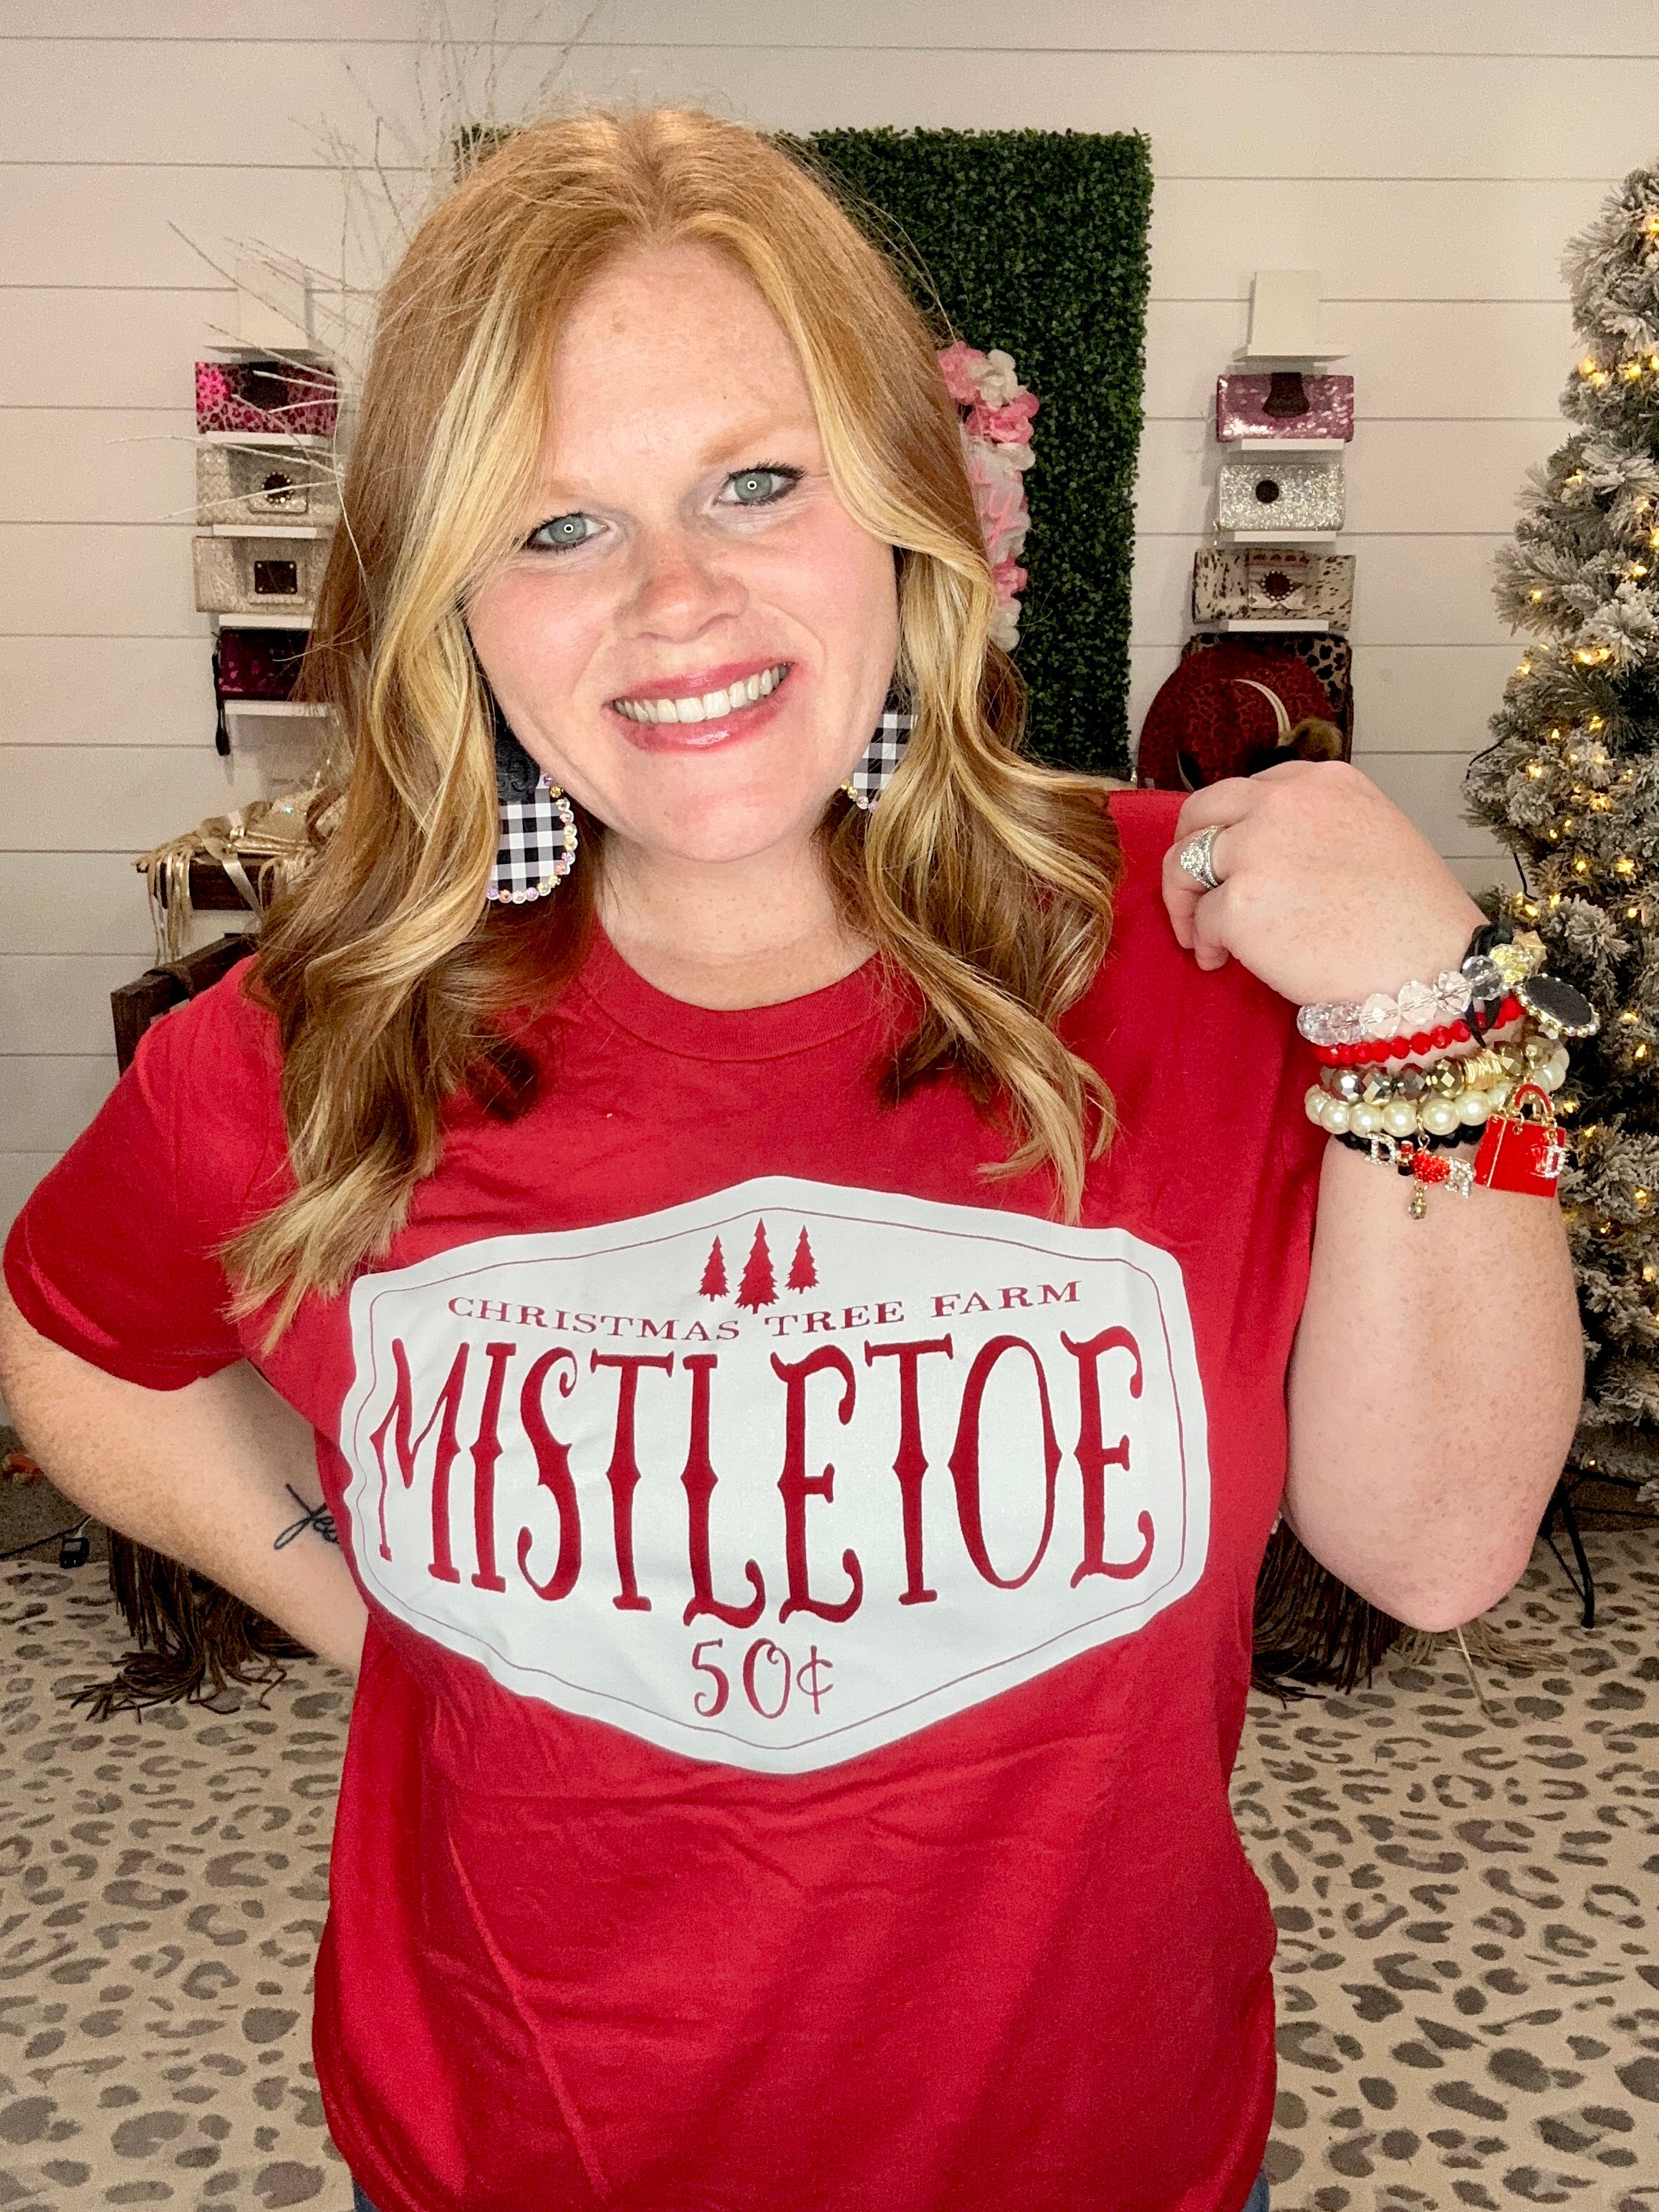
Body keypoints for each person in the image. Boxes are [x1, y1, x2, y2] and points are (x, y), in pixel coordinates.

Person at [0, 107, 1582, 2212]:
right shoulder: (327, 1038)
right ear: (451, 599)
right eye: (555, 525)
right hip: (515, 2154)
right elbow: (77, 1335)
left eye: (759, 483)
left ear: (906, 513)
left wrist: (1423, 1005)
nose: (677, 601)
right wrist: (365, 1607)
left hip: (1099, 2152)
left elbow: (1439, 1548)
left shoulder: (1204, 958)